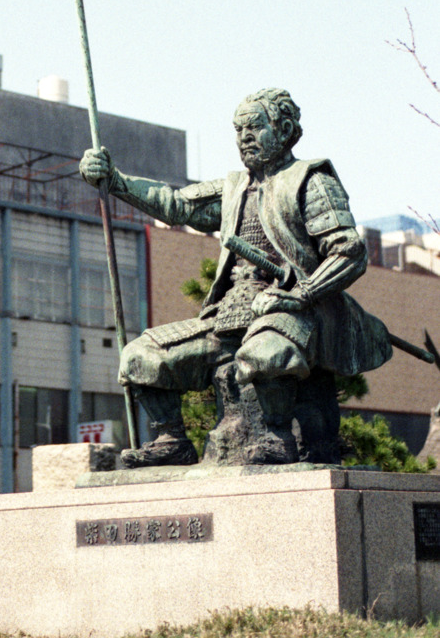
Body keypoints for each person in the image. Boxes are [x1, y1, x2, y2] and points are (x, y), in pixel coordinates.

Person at [80, 86, 393, 468]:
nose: (244, 137)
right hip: (228, 317)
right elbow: (177, 205)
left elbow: (349, 251)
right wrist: (114, 180)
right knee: (139, 357)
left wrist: (301, 294)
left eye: (254, 127)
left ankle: (278, 435)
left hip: (295, 313)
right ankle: (171, 439)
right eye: (238, 129)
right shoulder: (234, 188)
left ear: (284, 130)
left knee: (264, 353)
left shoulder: (311, 180)